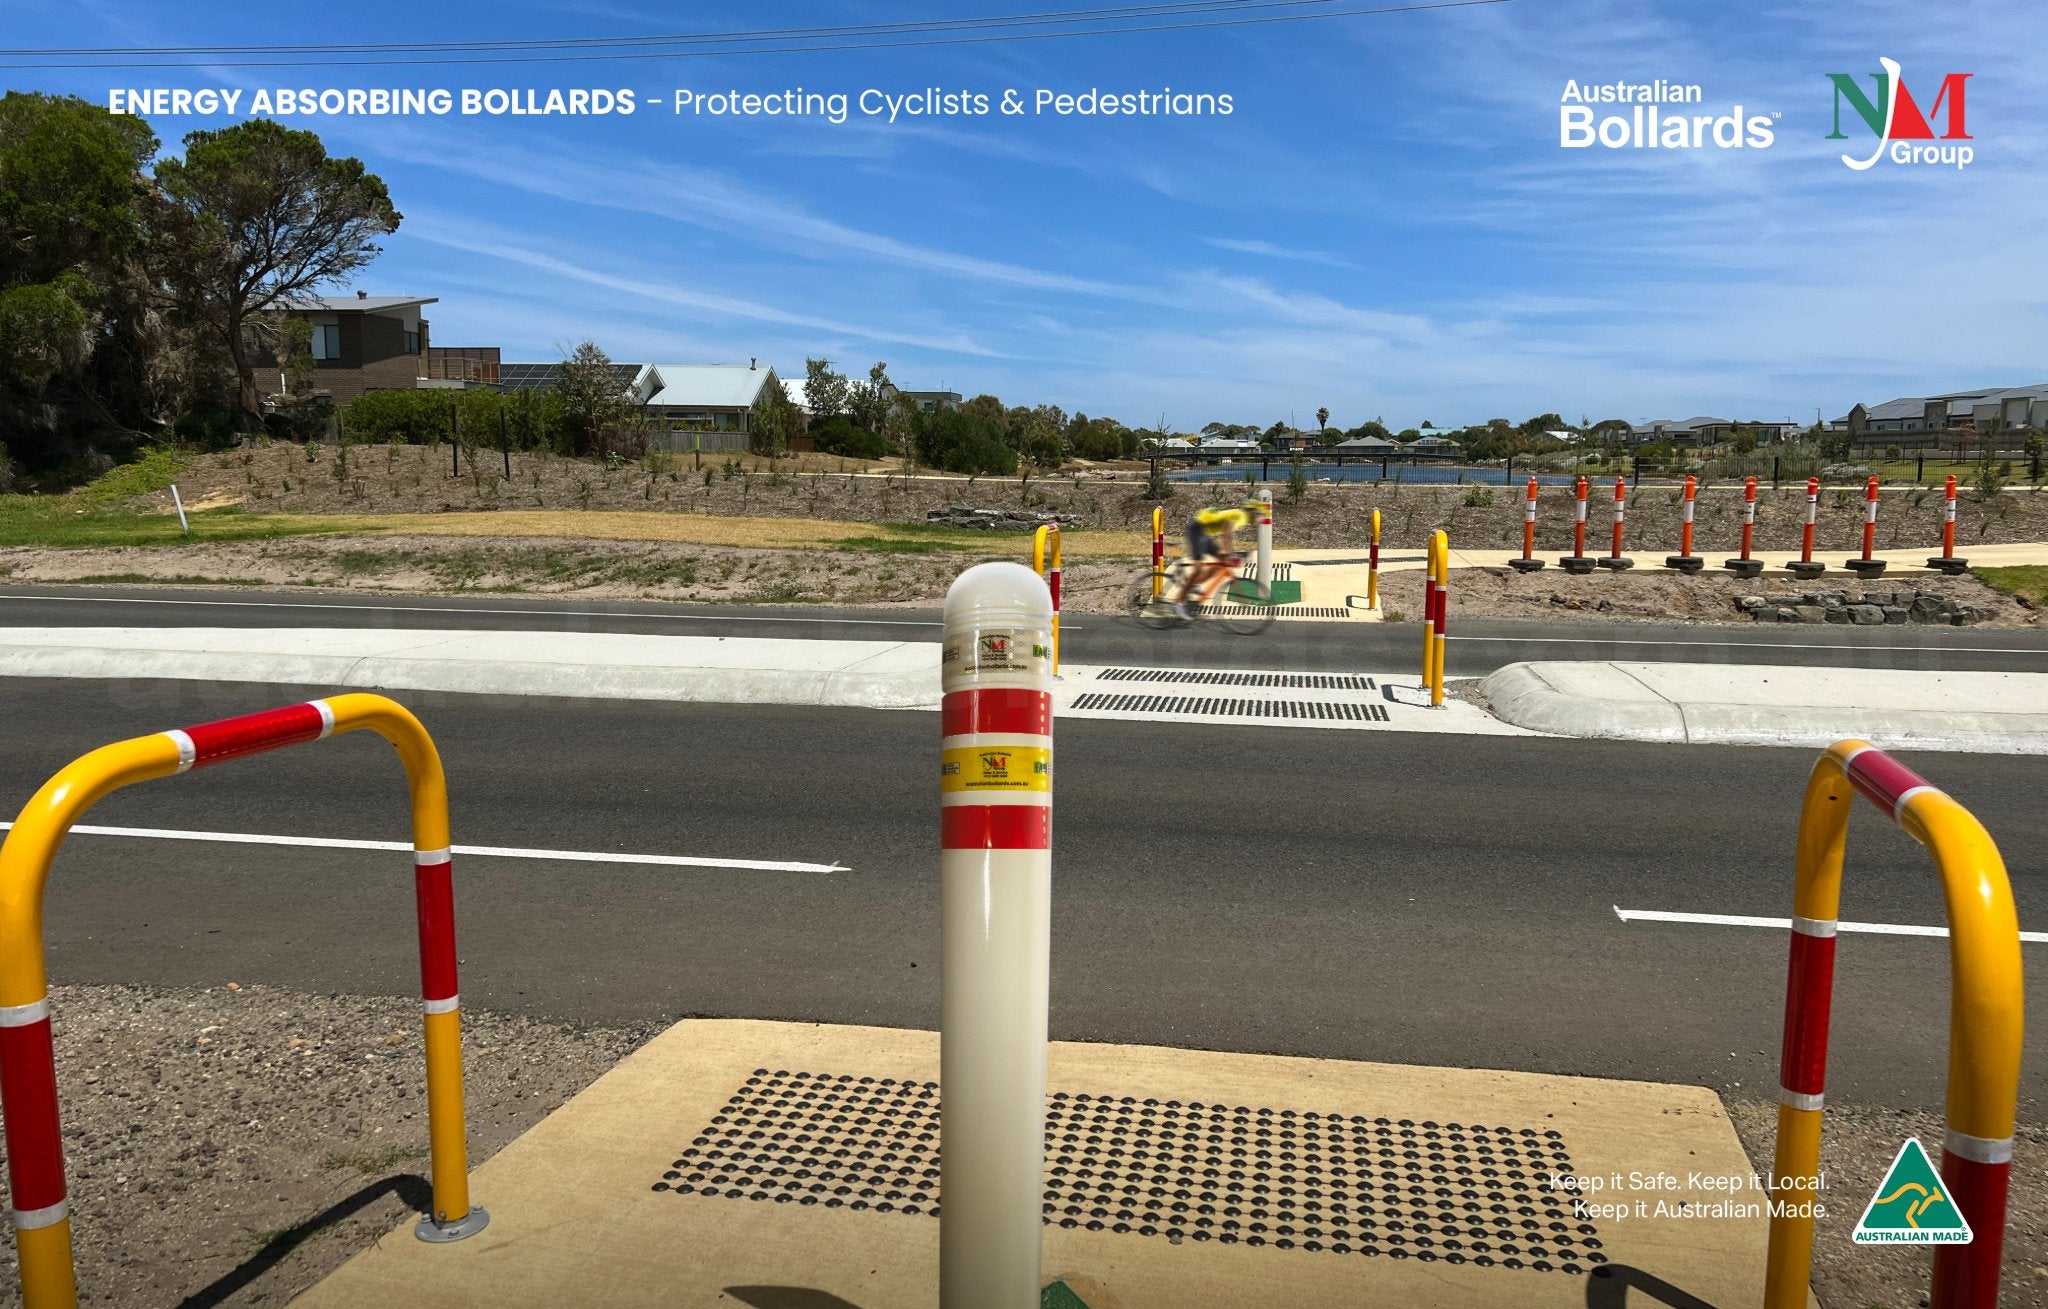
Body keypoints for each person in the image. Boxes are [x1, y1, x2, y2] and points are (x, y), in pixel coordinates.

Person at [1176, 501, 1257, 616]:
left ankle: (1193, 584)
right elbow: (1226, 534)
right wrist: (1231, 554)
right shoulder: (1241, 516)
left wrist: (1229, 554)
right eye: (1258, 513)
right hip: (1197, 529)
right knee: (1197, 569)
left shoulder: (1241, 516)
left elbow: (1226, 532)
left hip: (1203, 532)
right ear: (1252, 511)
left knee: (1222, 562)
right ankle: (1178, 602)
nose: (1259, 517)